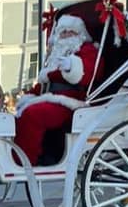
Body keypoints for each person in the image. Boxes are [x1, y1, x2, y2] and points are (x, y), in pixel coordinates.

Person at [13, 13, 104, 166]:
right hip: (52, 97)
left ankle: (26, 162)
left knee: (33, 115)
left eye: (70, 31)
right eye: (62, 32)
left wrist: (72, 66)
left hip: (71, 101)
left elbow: (91, 73)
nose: (65, 35)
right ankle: (38, 154)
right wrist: (28, 96)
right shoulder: (56, 55)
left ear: (80, 34)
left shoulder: (87, 50)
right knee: (21, 112)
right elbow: (44, 83)